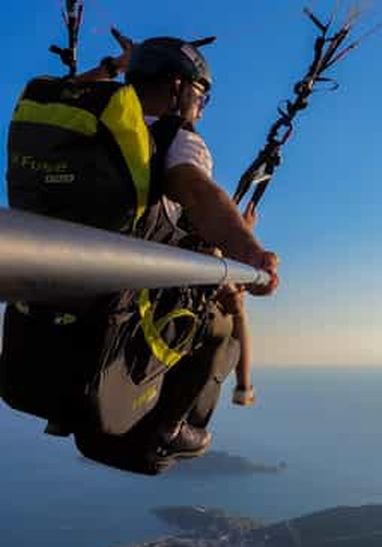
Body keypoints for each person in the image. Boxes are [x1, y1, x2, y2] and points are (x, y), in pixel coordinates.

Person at [105, 35, 275, 452]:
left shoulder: (95, 119)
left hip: (51, 296)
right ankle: (170, 426)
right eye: (200, 95)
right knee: (222, 329)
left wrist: (115, 67)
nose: (200, 108)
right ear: (178, 87)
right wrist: (250, 251)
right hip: (131, 297)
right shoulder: (176, 139)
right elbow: (197, 193)